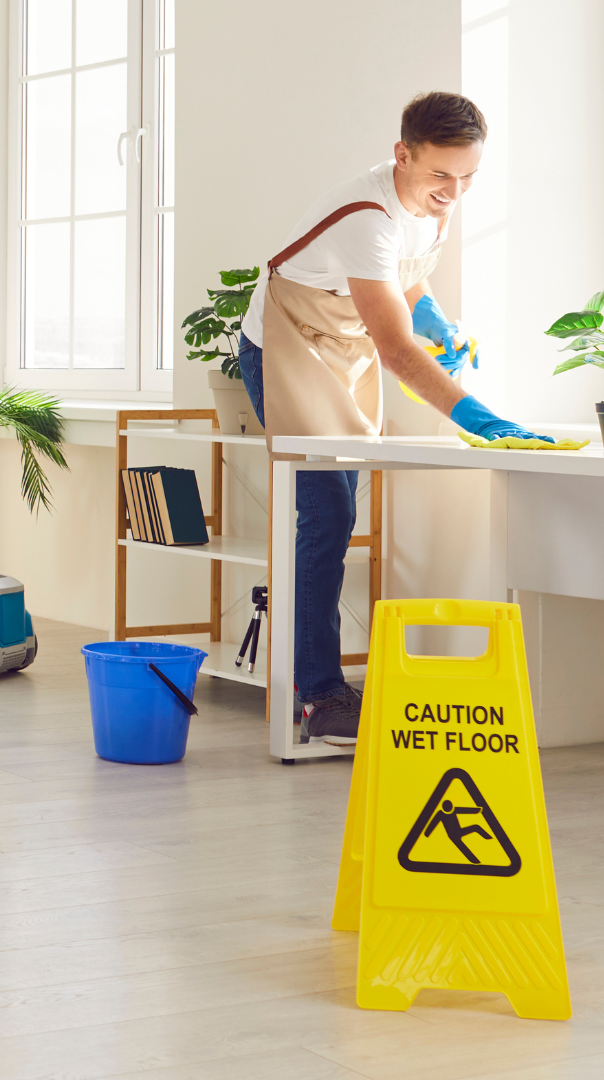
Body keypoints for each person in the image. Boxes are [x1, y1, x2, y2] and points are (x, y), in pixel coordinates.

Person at [239, 91, 551, 744]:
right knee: (326, 511)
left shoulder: (433, 204)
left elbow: (405, 280)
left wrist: (429, 310)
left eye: (468, 178)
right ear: (402, 154)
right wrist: (477, 414)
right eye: (441, 175)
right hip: (288, 345)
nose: (454, 193)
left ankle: (320, 681)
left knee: (340, 507)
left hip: (342, 346)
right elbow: (395, 348)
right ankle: (319, 695)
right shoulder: (367, 217)